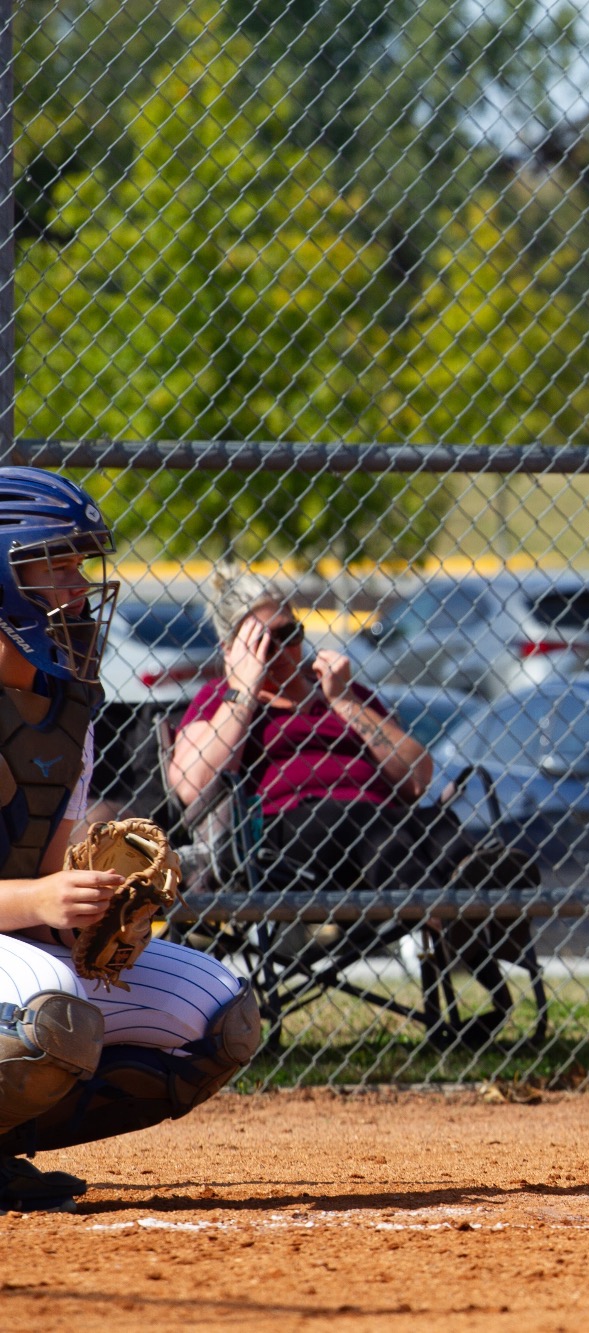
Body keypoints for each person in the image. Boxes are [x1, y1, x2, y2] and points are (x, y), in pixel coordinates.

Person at [0, 468, 258, 1212]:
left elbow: (42, 865)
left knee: (218, 1015)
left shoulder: (64, 710)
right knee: (51, 1016)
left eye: (81, 563)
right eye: (57, 563)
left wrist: (89, 906)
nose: (79, 585)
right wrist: (39, 897)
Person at [168, 576, 435, 894]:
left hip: (382, 820)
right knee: (359, 819)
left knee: (442, 829)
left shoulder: (342, 689)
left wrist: (343, 701)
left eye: (288, 634)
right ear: (230, 650)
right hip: (288, 830)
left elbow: (417, 776)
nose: (280, 650)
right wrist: (243, 692)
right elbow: (193, 786)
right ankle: (435, 910)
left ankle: (489, 897)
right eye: (262, 642)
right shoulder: (219, 698)